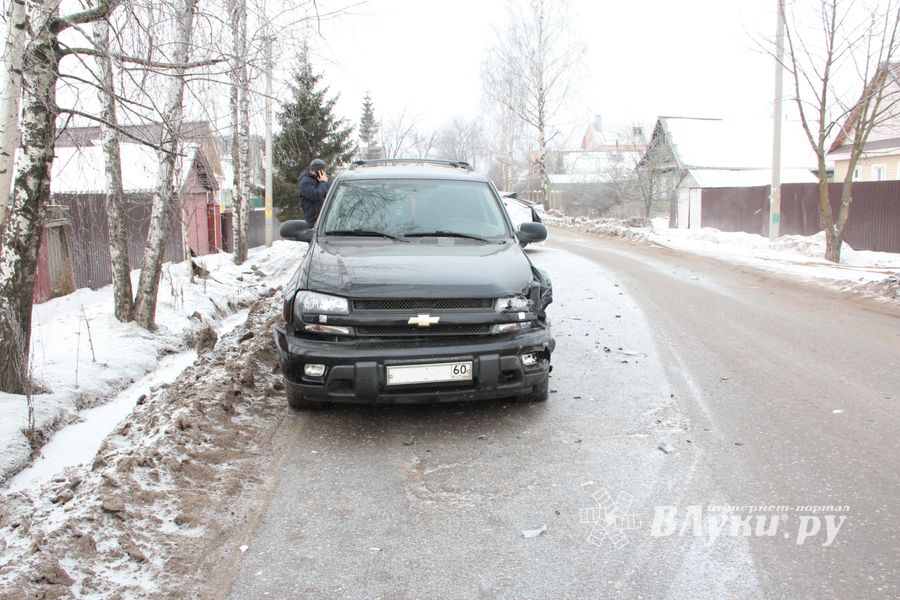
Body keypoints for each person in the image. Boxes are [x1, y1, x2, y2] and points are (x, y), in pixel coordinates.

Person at [298, 158, 330, 228]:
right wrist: (323, 182)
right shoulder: (305, 182)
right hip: (312, 221)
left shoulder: (319, 181)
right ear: (319, 171)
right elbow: (317, 195)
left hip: (322, 220)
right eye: (323, 171)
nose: (325, 173)